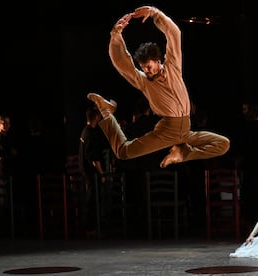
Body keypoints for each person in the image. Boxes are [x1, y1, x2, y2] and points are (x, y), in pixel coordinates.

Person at [87, 6, 230, 169]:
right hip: (168, 131)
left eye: (148, 66)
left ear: (158, 61)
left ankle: (182, 153)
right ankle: (106, 112)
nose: (145, 70)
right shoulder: (144, 81)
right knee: (123, 152)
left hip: (186, 129)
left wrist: (155, 13)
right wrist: (115, 34)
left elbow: (174, 34)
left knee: (223, 144)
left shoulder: (173, 67)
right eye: (142, 67)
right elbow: (122, 63)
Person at [78, 106, 110, 236]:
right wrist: (101, 173)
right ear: (96, 117)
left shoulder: (84, 132)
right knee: (93, 199)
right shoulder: (90, 133)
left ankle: (91, 227)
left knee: (92, 198)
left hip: (86, 171)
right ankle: (91, 228)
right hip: (91, 172)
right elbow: (93, 157)